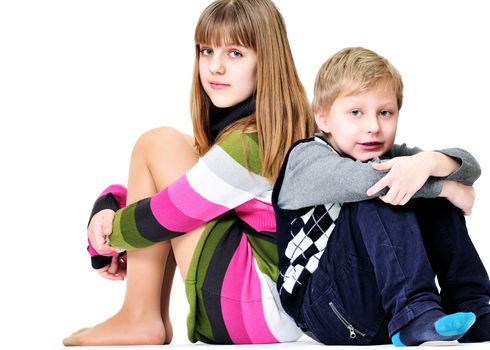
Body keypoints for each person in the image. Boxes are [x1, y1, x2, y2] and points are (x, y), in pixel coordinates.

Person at [63, 0, 314, 346]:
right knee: (175, 145)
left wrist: (104, 241)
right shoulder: (270, 130)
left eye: (236, 53)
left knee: (157, 143)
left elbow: (169, 211)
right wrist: (110, 202)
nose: (215, 67)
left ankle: (139, 316)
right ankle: (142, 317)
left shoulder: (250, 142)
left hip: (256, 308)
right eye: (207, 50)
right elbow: (188, 189)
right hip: (276, 308)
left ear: (267, 61)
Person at [272, 47, 490, 346]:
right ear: (323, 118)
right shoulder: (306, 159)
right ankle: (415, 312)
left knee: (415, 178)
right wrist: (447, 189)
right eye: (355, 113)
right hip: (325, 310)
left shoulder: (389, 156)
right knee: (384, 189)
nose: (373, 127)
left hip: (382, 306)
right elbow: (370, 181)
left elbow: (469, 166)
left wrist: (428, 162)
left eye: (385, 113)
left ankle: (474, 307)